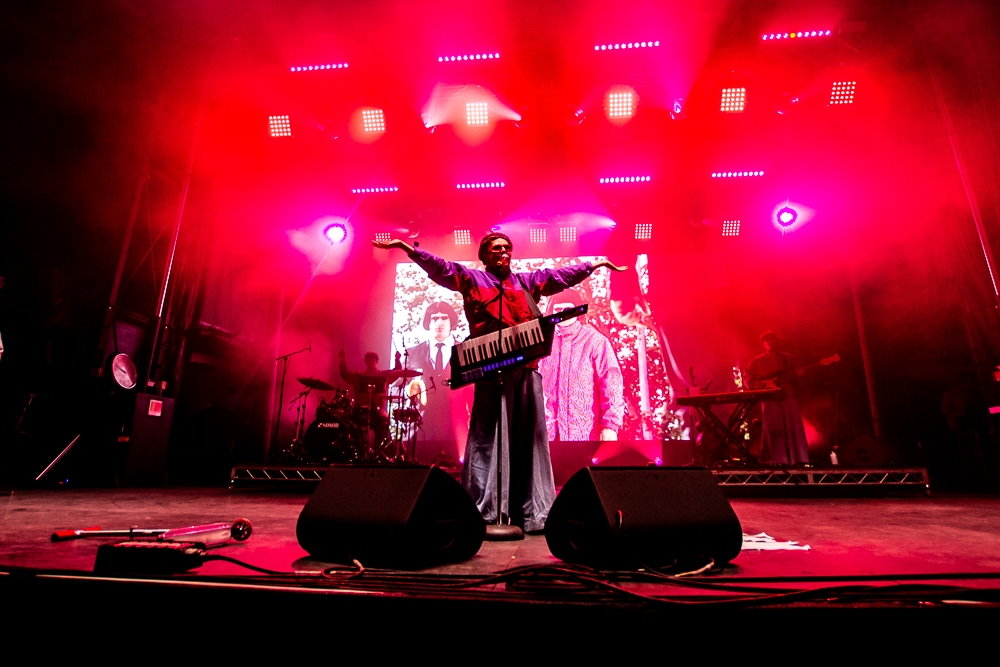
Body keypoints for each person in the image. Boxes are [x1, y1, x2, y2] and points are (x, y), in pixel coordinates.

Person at [373, 233, 625, 533]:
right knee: (485, 437)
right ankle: (484, 509)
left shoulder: (527, 282)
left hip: (526, 368)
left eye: (507, 248)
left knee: (529, 437)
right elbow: (441, 268)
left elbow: (557, 277)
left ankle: (530, 513)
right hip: (491, 369)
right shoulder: (472, 278)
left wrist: (592, 265)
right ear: (485, 255)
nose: (504, 252)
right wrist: (408, 250)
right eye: (497, 249)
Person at [539, 290, 625, 442]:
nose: (562, 313)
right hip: (545, 437)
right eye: (557, 309)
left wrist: (611, 426)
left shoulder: (596, 342)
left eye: (567, 309)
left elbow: (611, 382)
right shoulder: (541, 344)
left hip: (586, 435)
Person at [402, 301, 464, 462]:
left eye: (444, 317)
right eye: (434, 318)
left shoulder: (465, 351)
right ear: (428, 323)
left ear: (452, 322)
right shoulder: (412, 353)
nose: (439, 322)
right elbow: (396, 387)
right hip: (420, 432)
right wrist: (409, 389)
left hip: (456, 433)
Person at [746, 331, 810, 465]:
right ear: (763, 344)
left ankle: (797, 458)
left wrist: (800, 375)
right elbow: (747, 379)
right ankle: (774, 459)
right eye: (767, 340)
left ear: (777, 341)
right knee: (772, 429)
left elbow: (798, 377)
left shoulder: (788, 358)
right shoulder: (758, 361)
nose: (771, 342)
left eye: (773, 339)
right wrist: (758, 385)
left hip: (788, 396)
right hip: (769, 399)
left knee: (792, 427)